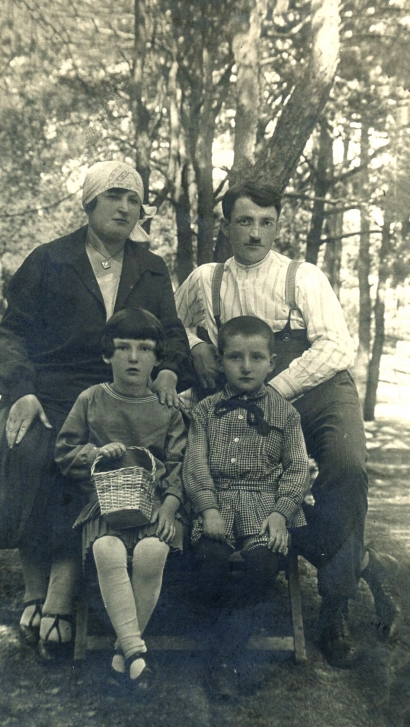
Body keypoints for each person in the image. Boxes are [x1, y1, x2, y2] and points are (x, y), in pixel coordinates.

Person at [175, 181, 400, 668]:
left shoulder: (303, 277)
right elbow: (172, 324)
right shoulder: (205, 279)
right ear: (227, 225)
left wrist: (275, 391)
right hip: (247, 389)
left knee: (346, 466)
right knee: (241, 478)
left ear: (278, 224)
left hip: (317, 388)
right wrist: (195, 342)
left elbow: (336, 347)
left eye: (266, 222)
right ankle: (361, 562)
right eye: (244, 221)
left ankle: (334, 607)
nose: (255, 233)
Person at [0, 160, 191, 660]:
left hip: (121, 388)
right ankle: (40, 590)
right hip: (51, 386)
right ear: (89, 202)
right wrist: (23, 389)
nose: (124, 206)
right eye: (114, 195)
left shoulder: (152, 266)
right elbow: (12, 332)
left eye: (134, 199)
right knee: (34, 447)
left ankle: (64, 590)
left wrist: (169, 371)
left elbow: (173, 334)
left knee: (115, 459)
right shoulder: (50, 259)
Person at [55, 308, 187, 695]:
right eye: (123, 348)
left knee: (151, 552)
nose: (133, 357)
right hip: (105, 505)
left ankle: (125, 653)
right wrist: (95, 453)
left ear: (157, 358)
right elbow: (64, 452)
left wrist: (171, 505)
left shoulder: (166, 407)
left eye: (145, 349)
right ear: (105, 355)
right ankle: (134, 653)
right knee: (107, 549)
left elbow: (181, 463)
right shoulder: (92, 400)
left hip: (155, 504)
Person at [183, 316, 309, 698]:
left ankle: (224, 657)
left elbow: (299, 467)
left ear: (273, 363)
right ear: (220, 362)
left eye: (256, 358)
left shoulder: (286, 413)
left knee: (263, 566)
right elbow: (195, 463)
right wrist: (207, 509)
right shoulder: (204, 411)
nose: (246, 366)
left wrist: (280, 513)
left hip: (264, 506)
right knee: (211, 561)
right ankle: (218, 638)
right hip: (216, 503)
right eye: (235, 357)